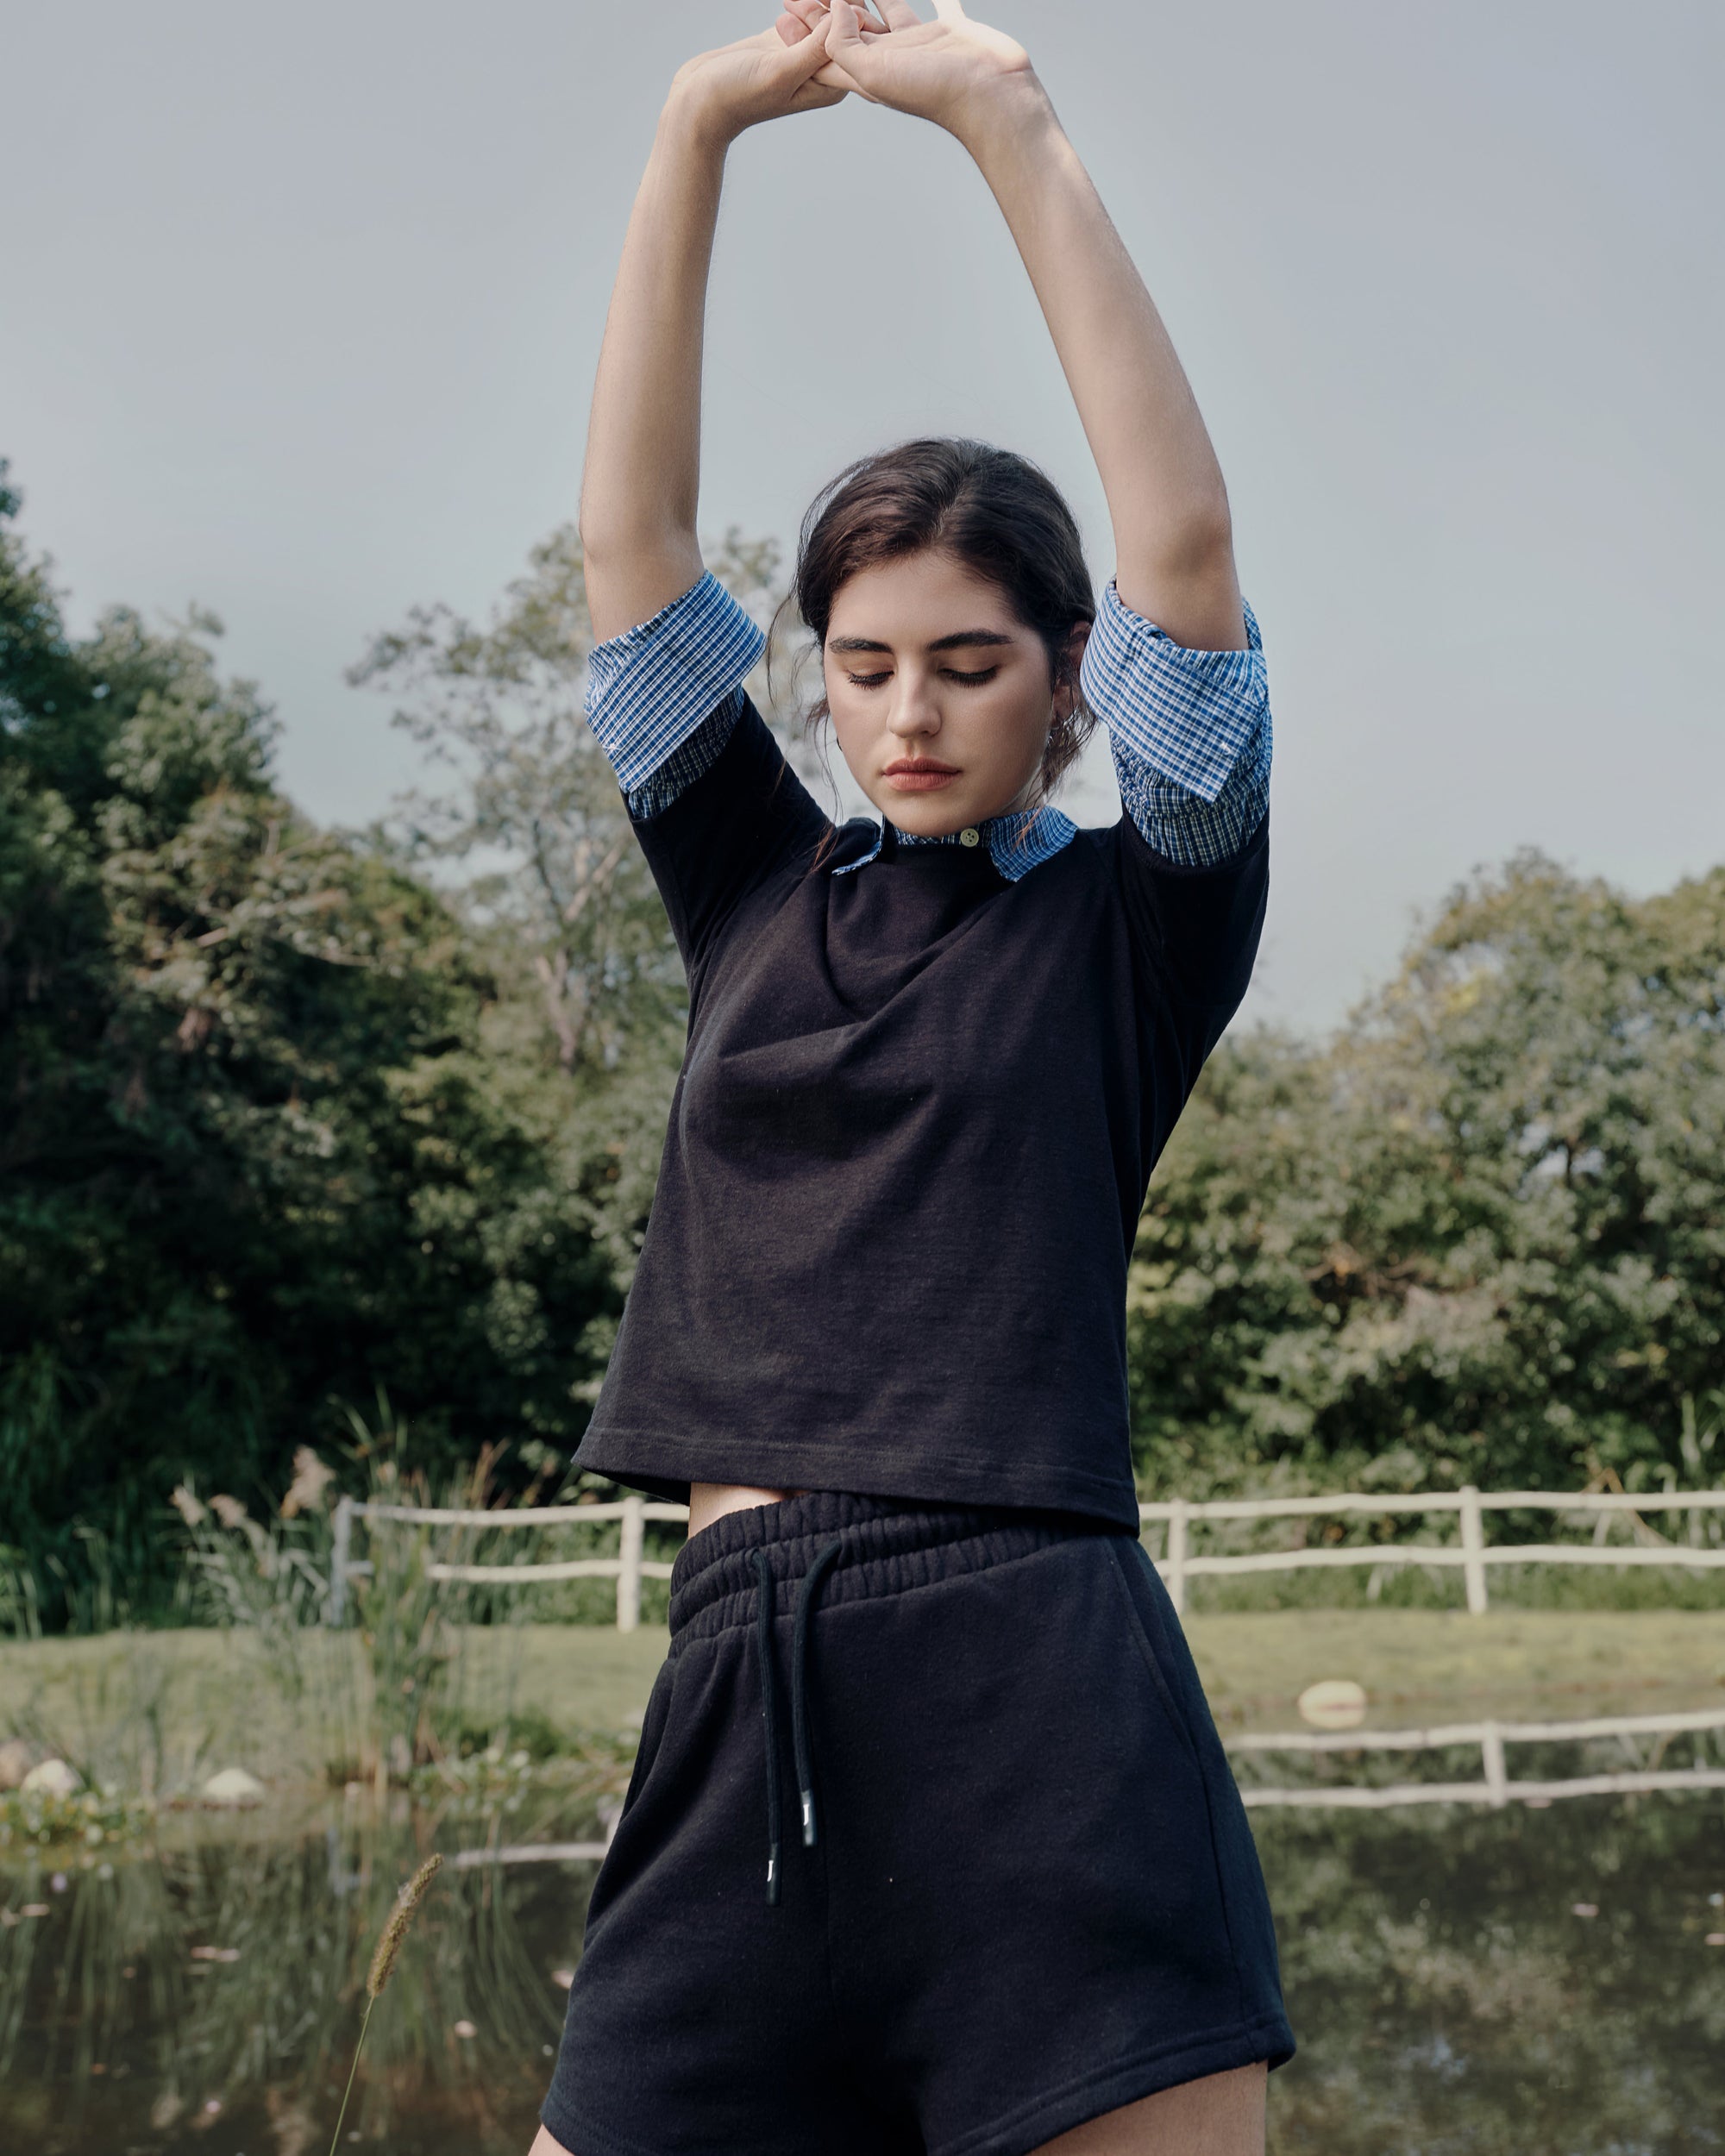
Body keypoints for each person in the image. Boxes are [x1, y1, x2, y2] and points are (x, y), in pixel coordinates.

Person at [532, 3, 1292, 2150]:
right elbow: (629, 556)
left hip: (1036, 1698)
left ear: (1065, 680)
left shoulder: (1136, 926)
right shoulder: (752, 897)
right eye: (862, 668)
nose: (908, 713)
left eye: (970, 665)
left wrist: (1001, 124)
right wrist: (697, 130)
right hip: (737, 1685)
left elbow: (1193, 564)